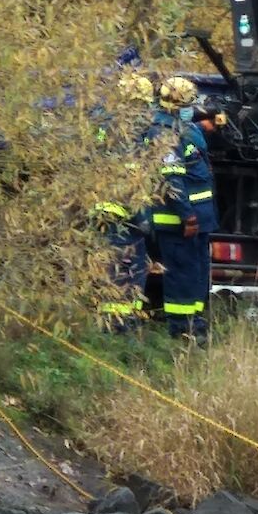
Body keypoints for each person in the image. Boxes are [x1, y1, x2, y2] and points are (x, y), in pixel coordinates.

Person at [150, 76, 217, 344]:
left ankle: (195, 322)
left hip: (198, 220)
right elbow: (172, 180)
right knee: (181, 273)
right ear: (179, 105)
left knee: (197, 272)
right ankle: (181, 328)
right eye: (190, 103)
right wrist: (186, 215)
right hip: (180, 222)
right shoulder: (166, 135)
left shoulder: (184, 128)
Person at [93, 72, 156, 330]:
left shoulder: (104, 125)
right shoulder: (131, 132)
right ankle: (120, 327)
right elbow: (132, 178)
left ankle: (114, 323)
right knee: (126, 272)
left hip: (102, 210)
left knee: (110, 269)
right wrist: (143, 219)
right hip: (124, 216)